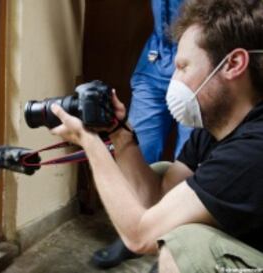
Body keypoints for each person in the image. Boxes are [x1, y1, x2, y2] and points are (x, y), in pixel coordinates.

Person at [48, 0, 263, 272]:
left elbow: (139, 237)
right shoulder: (212, 130)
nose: (173, 80)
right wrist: (119, 133)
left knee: (185, 247)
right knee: (164, 173)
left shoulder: (253, 149)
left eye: (183, 67)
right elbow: (158, 200)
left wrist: (90, 142)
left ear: (233, 64)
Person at [92, 0, 192, 268]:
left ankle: (175, 245)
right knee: (137, 150)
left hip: (200, 61)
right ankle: (132, 235)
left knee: (190, 159)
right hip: (155, 59)